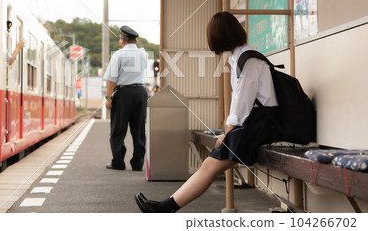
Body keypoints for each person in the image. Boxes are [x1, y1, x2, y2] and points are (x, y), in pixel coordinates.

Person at [134, 11, 282, 213]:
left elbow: (243, 101)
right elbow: (240, 101)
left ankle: (164, 208)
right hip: (254, 123)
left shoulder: (248, 60)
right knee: (209, 165)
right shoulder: (240, 57)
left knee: (209, 166)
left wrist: (229, 131)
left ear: (220, 36)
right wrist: (229, 130)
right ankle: (164, 207)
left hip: (261, 124)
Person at [103, 25, 149, 171]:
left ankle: (118, 162)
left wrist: (108, 97)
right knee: (139, 129)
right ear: (135, 40)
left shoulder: (119, 55)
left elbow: (111, 79)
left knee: (118, 129)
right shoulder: (144, 54)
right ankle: (137, 163)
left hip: (123, 94)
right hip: (140, 93)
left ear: (122, 39)